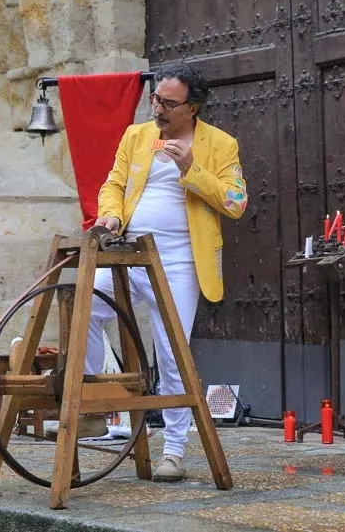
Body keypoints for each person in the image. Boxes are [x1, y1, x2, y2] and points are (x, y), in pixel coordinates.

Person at [82, 62, 248, 482]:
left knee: (172, 353)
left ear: (193, 107)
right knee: (84, 309)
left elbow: (235, 203)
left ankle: (173, 450)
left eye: (169, 104)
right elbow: (113, 184)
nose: (158, 108)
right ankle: (92, 402)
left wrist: (191, 168)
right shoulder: (137, 136)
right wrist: (110, 216)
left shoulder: (221, 144)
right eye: (156, 99)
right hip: (128, 253)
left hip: (179, 261)